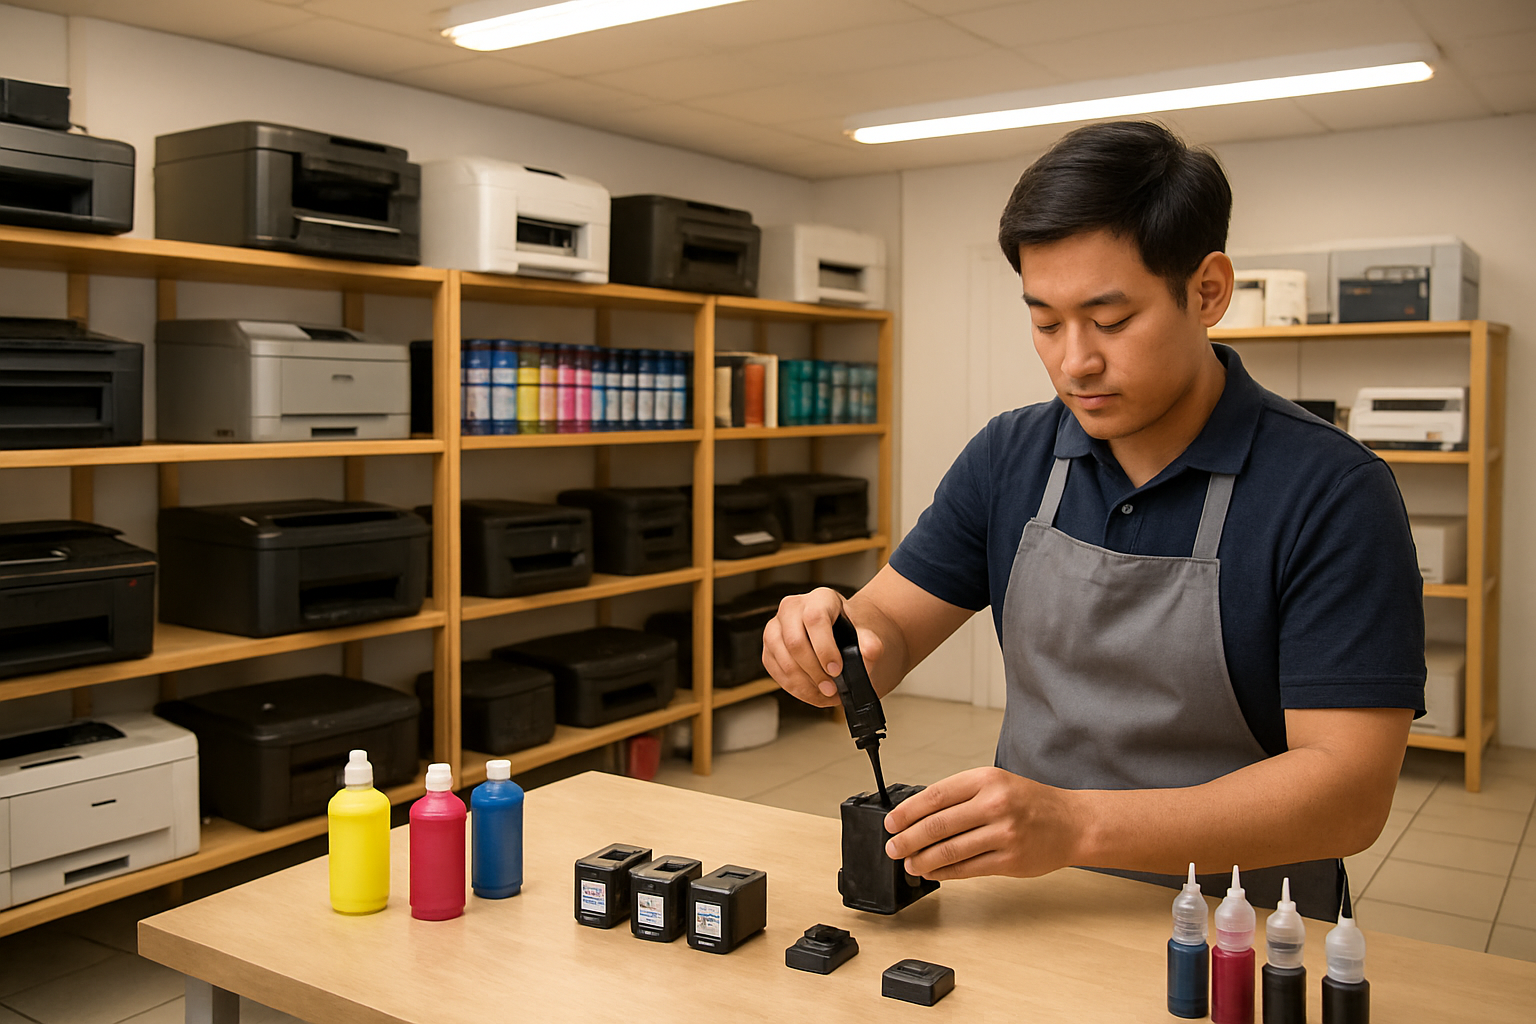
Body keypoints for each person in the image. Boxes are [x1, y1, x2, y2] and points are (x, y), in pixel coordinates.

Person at [761, 120, 1425, 915]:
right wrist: (835, 643)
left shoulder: (1331, 491)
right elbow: (889, 630)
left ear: (1208, 290)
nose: (1074, 360)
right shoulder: (1010, 456)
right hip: (1034, 907)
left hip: (1245, 928)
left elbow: (1348, 793)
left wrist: (1076, 824)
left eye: (1110, 321)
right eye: (1045, 321)